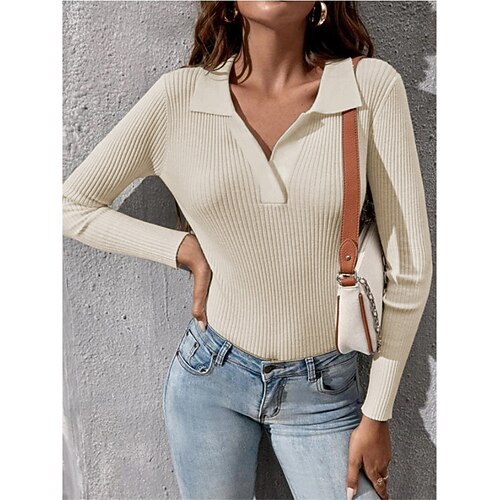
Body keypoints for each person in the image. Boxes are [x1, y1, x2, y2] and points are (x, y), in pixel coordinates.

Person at [62, 1, 433, 499]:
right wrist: (182, 248)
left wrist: (378, 413)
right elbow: (71, 205)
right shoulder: (179, 98)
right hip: (209, 375)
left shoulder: (368, 88)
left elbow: (410, 268)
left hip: (323, 392)